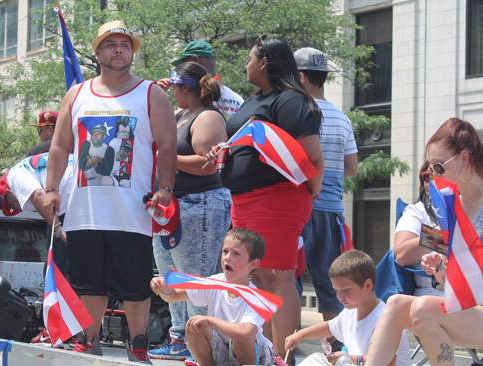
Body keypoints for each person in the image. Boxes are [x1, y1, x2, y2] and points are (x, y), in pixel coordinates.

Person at [44, 20, 177, 364]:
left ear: (132, 51)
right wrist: (51, 188)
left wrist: (165, 188)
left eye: (124, 44)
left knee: (135, 284)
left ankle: (138, 344)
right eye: (110, 44)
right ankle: (88, 341)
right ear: (98, 51)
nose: (118, 49)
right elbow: (59, 146)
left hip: (132, 211)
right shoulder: (77, 94)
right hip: (83, 211)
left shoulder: (151, 93)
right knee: (89, 285)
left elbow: (167, 144)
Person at [206, 35, 325, 356]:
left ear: (264, 62)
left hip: (278, 198)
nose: (245, 65)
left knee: (276, 275)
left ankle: (279, 357)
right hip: (243, 200)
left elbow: (313, 159)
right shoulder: (253, 101)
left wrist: (307, 193)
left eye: (249, 59)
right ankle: (262, 354)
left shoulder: (289, 101)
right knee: (254, 275)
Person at [366, 118, 483, 366]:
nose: (432, 176)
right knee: (397, 303)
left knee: (423, 308)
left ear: (464, 159)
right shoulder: (453, 208)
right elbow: (450, 283)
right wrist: (439, 268)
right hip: (469, 309)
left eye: (439, 168)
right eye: (429, 170)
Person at [148, 62, 232, 365]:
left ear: (186, 87)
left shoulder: (207, 116)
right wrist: (154, 97)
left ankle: (202, 343)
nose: (172, 93)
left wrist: (167, 157)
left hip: (201, 203)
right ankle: (179, 338)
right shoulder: (178, 115)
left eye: (174, 87)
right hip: (171, 206)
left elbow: (209, 164)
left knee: (196, 278)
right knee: (171, 276)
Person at [294, 47, 358, 349]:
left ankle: (285, 348)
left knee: (289, 282)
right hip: (331, 211)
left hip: (299, 210)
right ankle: (336, 350)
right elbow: (352, 168)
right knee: (332, 286)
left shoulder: (296, 113)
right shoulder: (342, 118)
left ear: (302, 77)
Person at [151, 228, 275, 366]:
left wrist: (211, 320)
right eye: (225, 251)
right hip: (223, 349)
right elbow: (173, 296)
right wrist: (163, 288)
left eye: (236, 254)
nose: (228, 257)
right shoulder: (215, 282)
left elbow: (245, 333)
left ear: (253, 264)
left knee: (240, 336)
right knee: (194, 325)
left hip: (255, 356)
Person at [0, 152, 74, 347]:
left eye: (12, 204)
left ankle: (54, 332)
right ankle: (81, 334)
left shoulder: (15, 175)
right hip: (84, 189)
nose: (17, 208)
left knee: (55, 272)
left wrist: (59, 231)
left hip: (67, 199)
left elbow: (40, 196)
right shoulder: (35, 166)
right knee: (80, 272)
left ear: (8, 192)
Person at [285, 250, 411, 366]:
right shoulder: (350, 313)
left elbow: (388, 362)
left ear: (367, 285)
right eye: (336, 290)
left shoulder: (385, 319)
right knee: (315, 359)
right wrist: (301, 335)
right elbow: (330, 327)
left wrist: (349, 358)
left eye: (346, 290)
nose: (340, 296)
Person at [394, 161, 444, 296]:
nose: (433, 180)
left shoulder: (472, 206)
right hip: (433, 293)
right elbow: (402, 255)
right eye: (428, 176)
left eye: (441, 172)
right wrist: (441, 233)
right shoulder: (416, 212)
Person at [159, 40, 244, 119]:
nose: (183, 67)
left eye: (185, 63)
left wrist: (159, 98)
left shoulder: (191, 96)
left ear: (195, 60)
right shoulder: (237, 99)